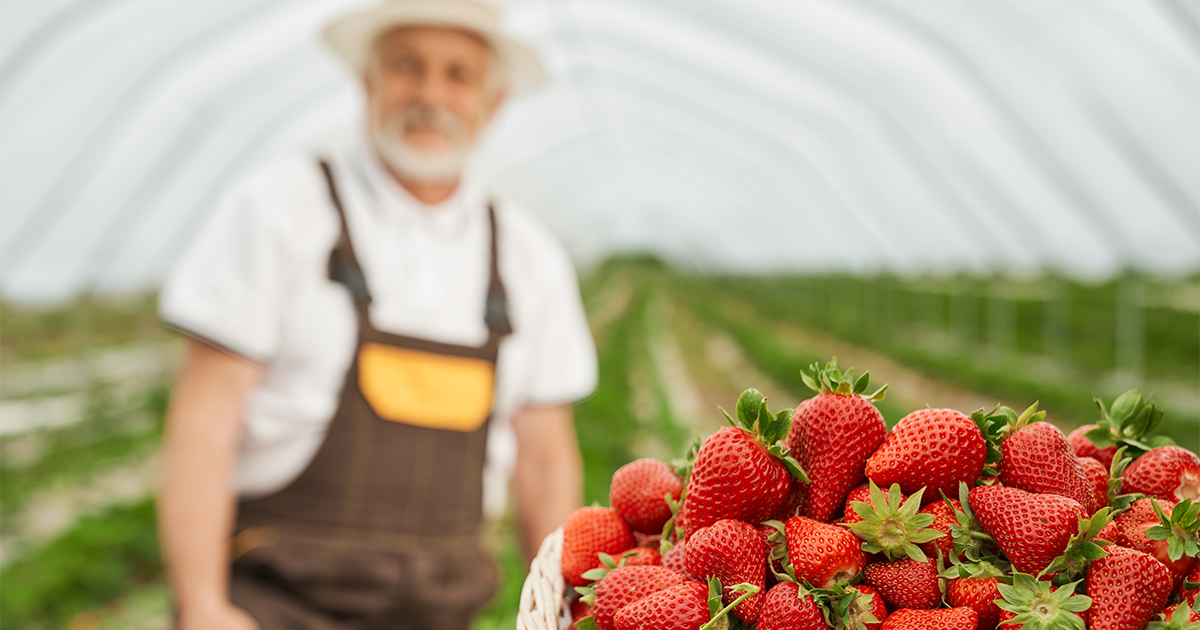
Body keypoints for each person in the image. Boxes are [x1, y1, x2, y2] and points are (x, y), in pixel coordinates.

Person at [156, 1, 597, 627]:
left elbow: (545, 456)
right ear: (369, 80)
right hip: (272, 605)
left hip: (441, 614)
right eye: (406, 66)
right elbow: (206, 419)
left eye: (458, 74)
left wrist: (563, 611)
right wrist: (203, 604)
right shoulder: (279, 209)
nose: (430, 94)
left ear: (492, 102)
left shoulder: (529, 256)